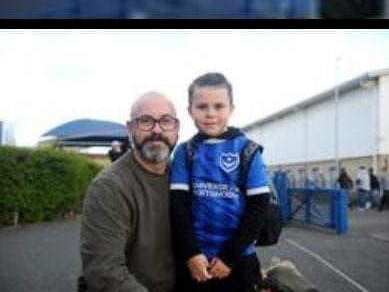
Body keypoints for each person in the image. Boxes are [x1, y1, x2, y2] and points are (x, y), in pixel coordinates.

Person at [170, 72, 270, 292]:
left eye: (218, 106)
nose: (210, 114)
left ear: (231, 109)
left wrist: (230, 257)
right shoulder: (184, 152)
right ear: (190, 110)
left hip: (238, 262)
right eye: (202, 106)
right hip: (195, 263)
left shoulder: (248, 150)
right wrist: (191, 253)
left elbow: (259, 207)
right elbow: (178, 207)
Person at [80, 92, 180, 292]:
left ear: (176, 128)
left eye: (165, 121)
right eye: (145, 121)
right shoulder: (109, 187)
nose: (156, 130)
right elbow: (104, 272)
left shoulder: (184, 179)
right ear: (130, 128)